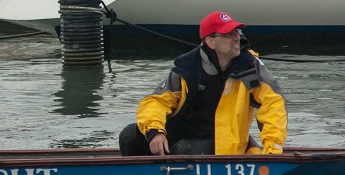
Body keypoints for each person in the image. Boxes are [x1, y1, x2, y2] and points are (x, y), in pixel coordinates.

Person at [118, 11, 287, 157]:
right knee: (130, 136)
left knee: (184, 149)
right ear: (210, 42)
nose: (237, 38)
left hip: (225, 147)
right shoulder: (187, 69)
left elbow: (274, 104)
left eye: (237, 31)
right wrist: (156, 132)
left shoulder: (250, 67)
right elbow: (156, 102)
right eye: (228, 34)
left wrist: (272, 151)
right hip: (183, 136)